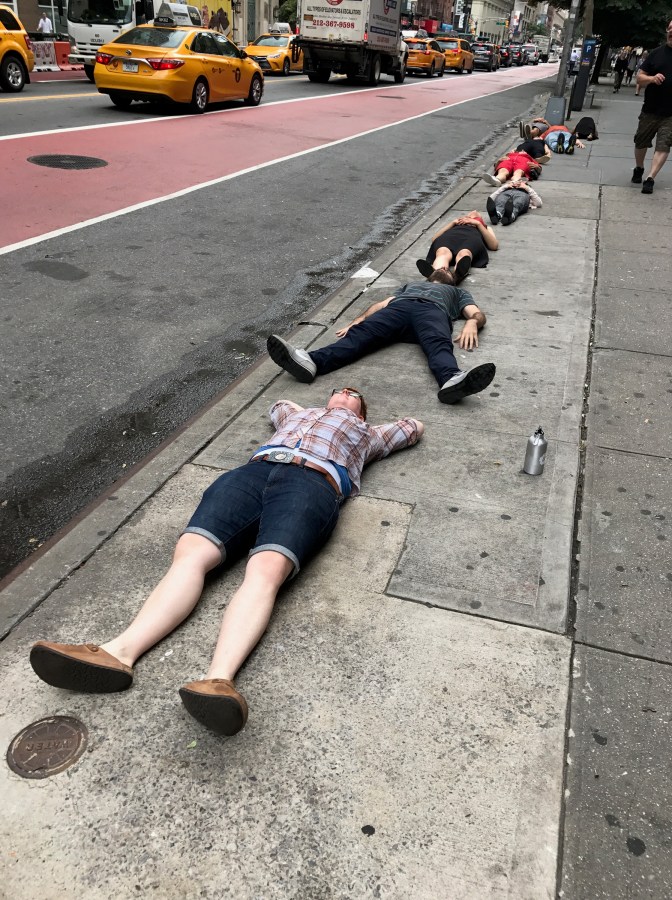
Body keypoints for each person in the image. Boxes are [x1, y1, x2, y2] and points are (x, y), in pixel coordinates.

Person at [30, 389, 423, 736]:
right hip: (253, 473)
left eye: (354, 395)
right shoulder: (297, 413)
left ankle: (218, 681)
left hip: (313, 482)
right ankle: (118, 652)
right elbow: (279, 404)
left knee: (267, 569)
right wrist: (311, 411)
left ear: (362, 413)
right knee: (191, 552)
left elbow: (413, 427)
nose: (345, 393)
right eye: (340, 390)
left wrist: (362, 424)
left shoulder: (368, 434)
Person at [267, 270, 496, 404]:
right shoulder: (410, 285)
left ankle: (451, 380)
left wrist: (472, 322)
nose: (444, 268)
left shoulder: (457, 292)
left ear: (452, 280)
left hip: (432, 311)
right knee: (358, 337)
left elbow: (476, 313)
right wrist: (358, 320)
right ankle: (312, 362)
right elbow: (382, 303)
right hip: (398, 308)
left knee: (438, 344)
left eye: (449, 270)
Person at [632, 21, 672, 194]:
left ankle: (650, 178)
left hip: (670, 113)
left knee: (664, 145)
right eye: (670, 28)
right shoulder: (656, 53)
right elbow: (639, 78)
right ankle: (639, 167)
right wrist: (652, 78)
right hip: (650, 109)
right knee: (641, 142)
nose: (671, 31)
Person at [416, 210, 498, 283]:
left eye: (475, 217)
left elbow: (494, 246)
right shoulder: (455, 225)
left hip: (470, 238)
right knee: (443, 252)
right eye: (467, 216)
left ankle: (456, 275)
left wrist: (478, 224)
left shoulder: (484, 227)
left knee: (464, 253)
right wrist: (453, 223)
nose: (474, 212)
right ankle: (436, 273)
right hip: (450, 237)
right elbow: (434, 239)